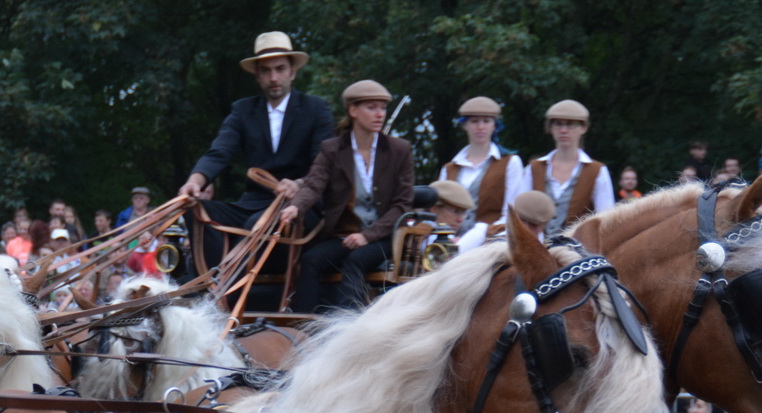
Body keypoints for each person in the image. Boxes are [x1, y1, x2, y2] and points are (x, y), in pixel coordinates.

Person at [177, 31, 336, 267]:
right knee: (195, 210)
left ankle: (234, 286)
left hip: (299, 204)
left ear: (292, 72)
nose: (273, 77)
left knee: (257, 223)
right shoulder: (243, 110)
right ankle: (213, 284)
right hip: (253, 202)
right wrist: (195, 181)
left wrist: (299, 184)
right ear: (257, 76)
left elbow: (323, 165)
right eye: (265, 70)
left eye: (280, 69)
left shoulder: (316, 109)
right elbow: (220, 151)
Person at [282, 79, 413, 313]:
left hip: (384, 236)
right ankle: (300, 327)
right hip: (342, 234)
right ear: (353, 110)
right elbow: (313, 184)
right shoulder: (332, 149)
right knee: (311, 261)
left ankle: (347, 325)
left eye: (382, 108)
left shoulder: (399, 150)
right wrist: (295, 207)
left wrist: (367, 236)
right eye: (371, 107)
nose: (379, 114)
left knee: (356, 260)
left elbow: (402, 205)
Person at [510, 99, 613, 237]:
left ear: (583, 128)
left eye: (570, 125)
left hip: (579, 250)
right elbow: (519, 213)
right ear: (550, 128)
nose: (563, 130)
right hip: (536, 247)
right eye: (558, 124)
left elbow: (605, 219)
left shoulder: (597, 171)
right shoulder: (534, 168)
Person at [438, 96, 522, 232]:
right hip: (449, 238)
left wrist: (484, 235)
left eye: (486, 121)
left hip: (490, 241)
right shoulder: (449, 169)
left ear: (494, 125)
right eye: (474, 121)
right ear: (464, 125)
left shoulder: (510, 163)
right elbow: (440, 211)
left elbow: (510, 213)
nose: (480, 127)